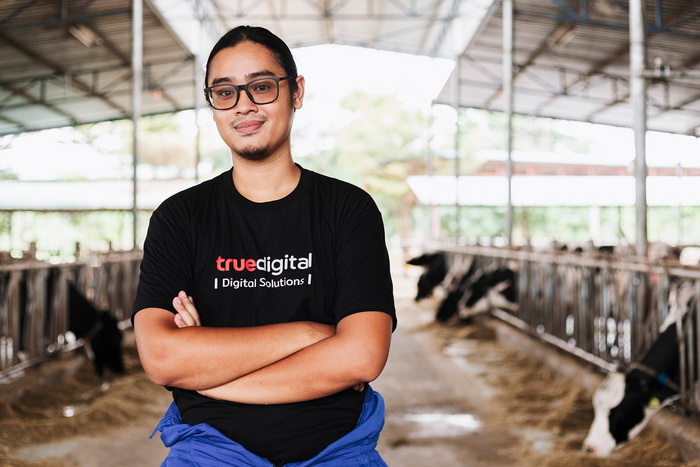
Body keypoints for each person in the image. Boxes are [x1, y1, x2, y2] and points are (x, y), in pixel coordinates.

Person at [132, 25, 397, 467]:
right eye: (224, 92)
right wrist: (312, 334)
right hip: (209, 450)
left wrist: (205, 372)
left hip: (335, 451)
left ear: (296, 92)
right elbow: (161, 358)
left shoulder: (348, 210)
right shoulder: (179, 218)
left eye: (261, 86)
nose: (243, 105)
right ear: (212, 104)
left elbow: (362, 356)